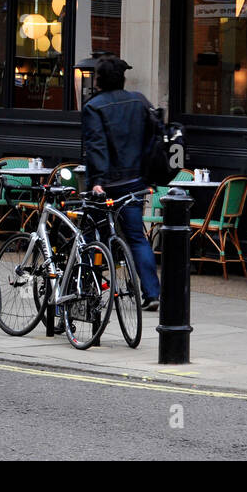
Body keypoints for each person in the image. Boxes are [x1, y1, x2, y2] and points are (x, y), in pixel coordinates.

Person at [81, 55, 161, 311]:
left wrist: (97, 181)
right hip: (135, 180)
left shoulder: (94, 106)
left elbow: (96, 145)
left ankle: (90, 289)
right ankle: (152, 293)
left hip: (106, 184)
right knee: (137, 237)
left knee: (94, 237)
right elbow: (155, 136)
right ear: (123, 78)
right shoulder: (140, 101)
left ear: (99, 80)